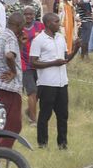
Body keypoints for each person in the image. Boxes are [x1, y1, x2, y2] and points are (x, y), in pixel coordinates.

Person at [31, 13, 78, 149]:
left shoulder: (60, 38)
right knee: (45, 115)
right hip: (47, 83)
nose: (59, 23)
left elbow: (64, 59)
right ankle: (42, 143)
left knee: (63, 115)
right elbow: (33, 63)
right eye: (56, 21)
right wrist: (53, 63)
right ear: (48, 23)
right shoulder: (39, 40)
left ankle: (62, 144)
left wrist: (76, 49)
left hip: (62, 82)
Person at [0, 12, 25, 148]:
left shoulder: (1, 36)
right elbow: (10, 56)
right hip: (9, 88)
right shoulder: (10, 37)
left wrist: (20, 45)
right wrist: (13, 71)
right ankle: (2, 152)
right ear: (19, 25)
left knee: (0, 123)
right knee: (13, 125)